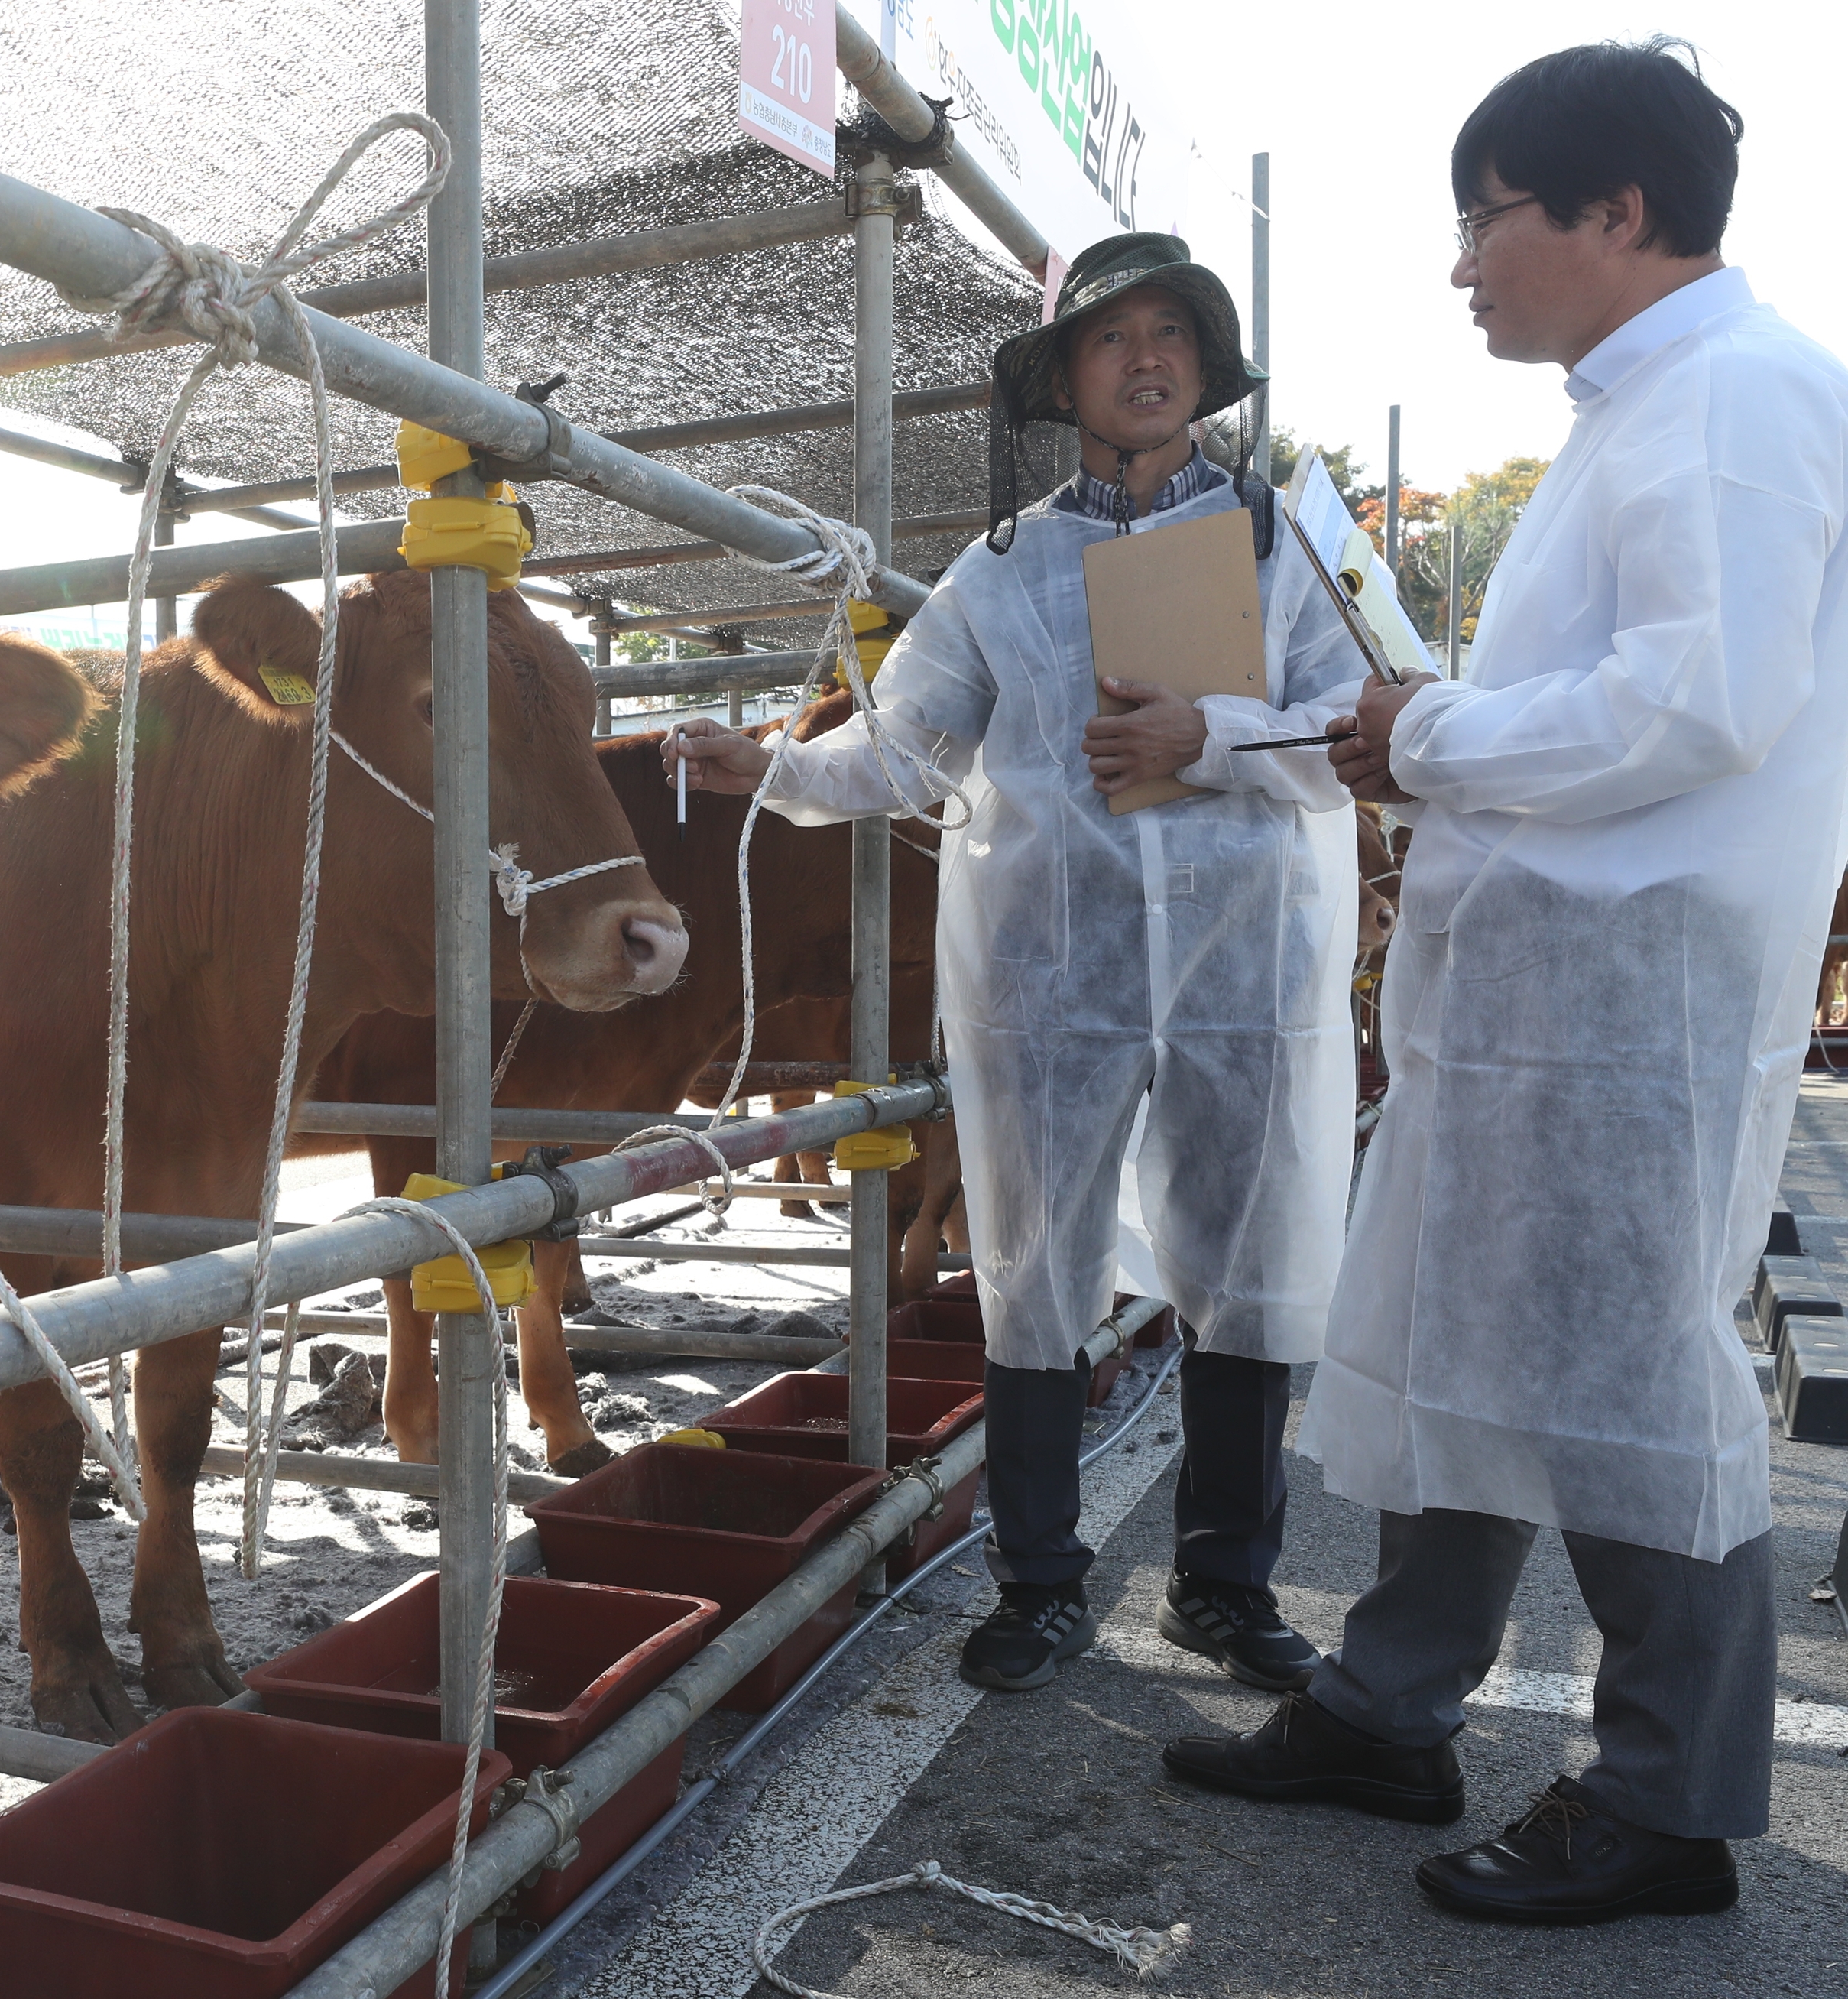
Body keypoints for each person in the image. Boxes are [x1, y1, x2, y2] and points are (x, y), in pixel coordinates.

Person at [1166, 39, 1848, 1925]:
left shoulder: (1728, 399)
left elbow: (1697, 704)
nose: (1462, 264)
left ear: (1612, 213)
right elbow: (1523, 716)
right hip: (1549, 983)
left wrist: (1435, 731)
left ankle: (1668, 1803)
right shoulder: (1642, 413)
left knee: (1625, 1373)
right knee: (1466, 1334)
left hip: (1630, 993)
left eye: (1484, 218)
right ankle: (1388, 1705)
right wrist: (1350, 733)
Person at [666, 232, 1363, 1696]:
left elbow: (1364, 727)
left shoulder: (1288, 541)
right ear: (1068, 379)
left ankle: (1227, 1586)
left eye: (1173, 332)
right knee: (1037, 1268)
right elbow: (907, 748)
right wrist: (773, 770)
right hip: (1059, 976)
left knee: (1245, 1265)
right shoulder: (1004, 568)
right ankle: (1039, 1580)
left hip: (1245, 965)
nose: (1148, 359)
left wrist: (1211, 738)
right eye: (1114, 339)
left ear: (1207, 367)